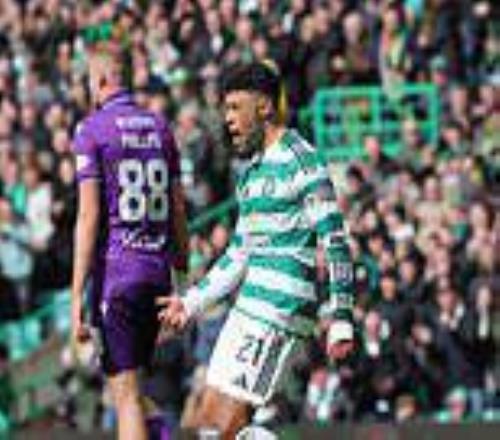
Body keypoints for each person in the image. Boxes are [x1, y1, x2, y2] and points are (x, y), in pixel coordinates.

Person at [158, 61, 356, 439]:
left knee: (227, 426)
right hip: (247, 307)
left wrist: (341, 316)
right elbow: (238, 254)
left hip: (281, 309)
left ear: (263, 106)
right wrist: (191, 302)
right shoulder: (251, 174)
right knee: (208, 426)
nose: (228, 119)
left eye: (235, 107)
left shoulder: (302, 160)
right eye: (225, 109)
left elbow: (335, 241)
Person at [70, 46, 188, 440]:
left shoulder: (91, 130)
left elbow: (88, 217)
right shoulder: (161, 127)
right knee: (132, 390)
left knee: (125, 399)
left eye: (89, 81)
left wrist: (76, 295)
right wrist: (182, 281)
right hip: (157, 275)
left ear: (102, 80)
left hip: (117, 276)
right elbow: (178, 211)